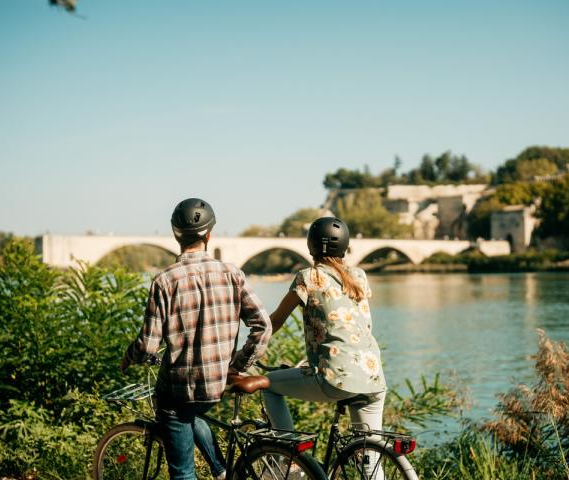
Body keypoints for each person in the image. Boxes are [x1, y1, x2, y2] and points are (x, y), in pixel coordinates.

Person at [121, 198, 272, 480]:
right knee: (193, 412)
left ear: (175, 235)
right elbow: (263, 326)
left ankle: (217, 469)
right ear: (209, 235)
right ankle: (221, 470)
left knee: (182, 469)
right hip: (216, 384)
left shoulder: (164, 280)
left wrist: (130, 356)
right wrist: (237, 365)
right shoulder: (232, 273)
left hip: (179, 388)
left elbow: (148, 345)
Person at [262, 216, 387, 439]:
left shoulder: (307, 277)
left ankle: (289, 457)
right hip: (373, 377)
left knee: (267, 386)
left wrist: (247, 352)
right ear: (345, 247)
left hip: (334, 378)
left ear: (311, 246)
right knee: (371, 461)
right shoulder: (359, 275)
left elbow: (276, 321)